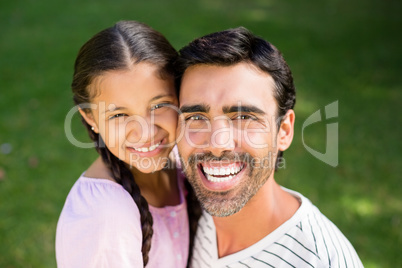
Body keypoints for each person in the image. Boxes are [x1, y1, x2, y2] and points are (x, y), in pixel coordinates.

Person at [175, 27, 364, 267]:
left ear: (284, 131)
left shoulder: (320, 260)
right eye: (196, 118)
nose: (217, 144)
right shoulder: (179, 197)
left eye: (244, 117)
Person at [56, 21, 201, 268]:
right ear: (91, 118)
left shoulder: (179, 160)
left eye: (159, 106)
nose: (144, 131)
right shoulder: (105, 216)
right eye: (119, 115)